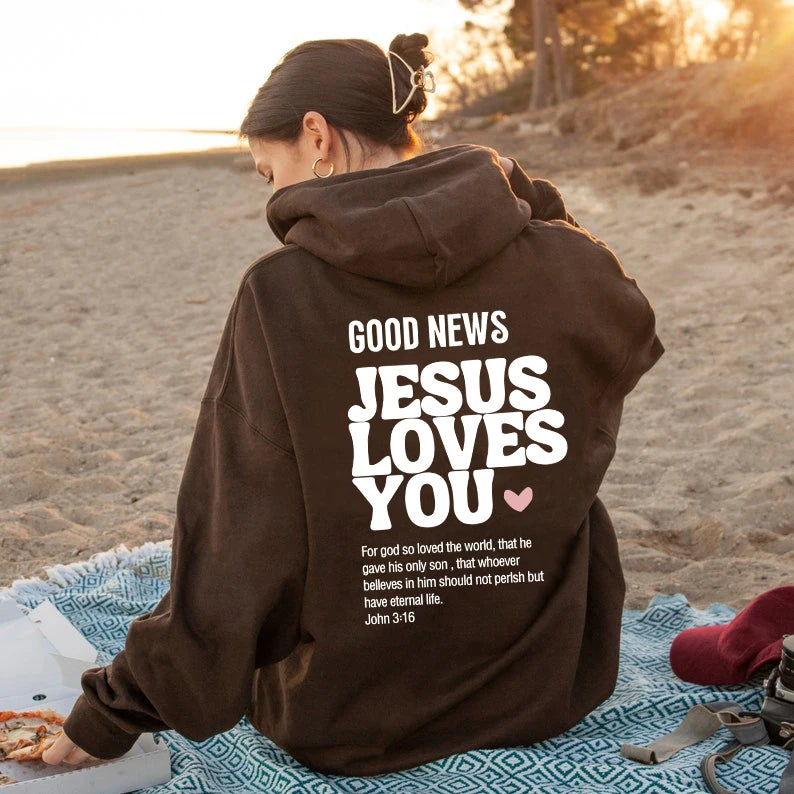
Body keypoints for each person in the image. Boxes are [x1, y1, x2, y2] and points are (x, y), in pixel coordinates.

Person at [43, 32, 665, 777]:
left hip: (352, 720)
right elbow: (628, 334)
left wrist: (112, 712)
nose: (274, 196)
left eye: (269, 172)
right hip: (547, 687)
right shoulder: (571, 266)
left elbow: (239, 552)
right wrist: (518, 200)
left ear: (317, 136)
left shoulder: (280, 297)